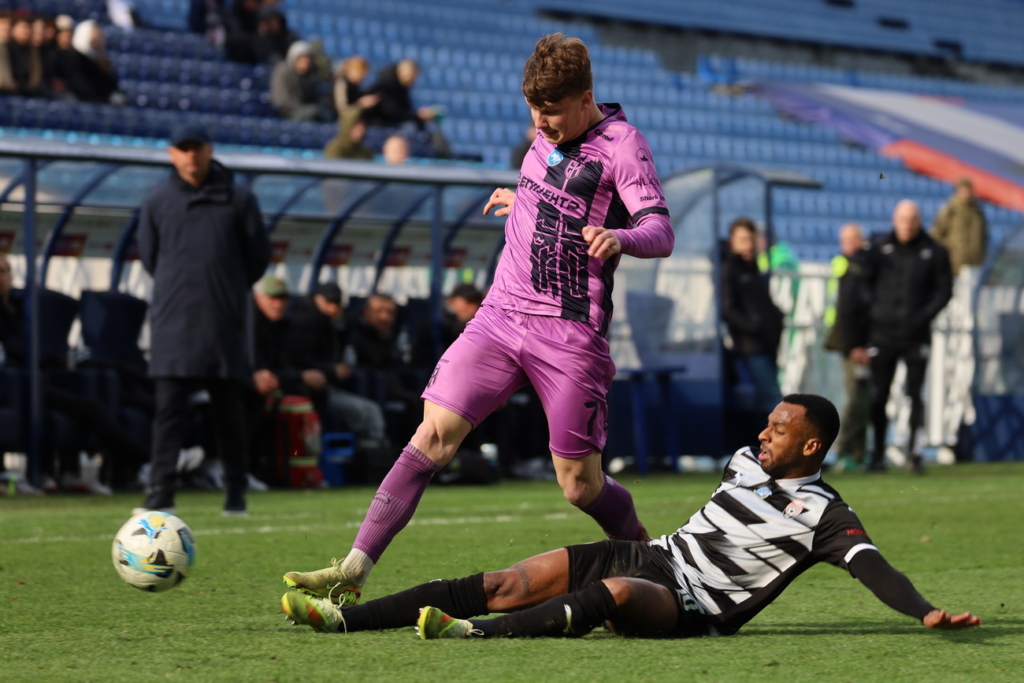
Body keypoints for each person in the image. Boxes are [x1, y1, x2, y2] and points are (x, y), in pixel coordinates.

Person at [283, 33, 674, 605]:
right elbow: (556, 194)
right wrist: (524, 201)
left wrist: (619, 237)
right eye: (533, 110)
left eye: (552, 111)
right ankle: (354, 567)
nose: (541, 123)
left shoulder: (623, 145)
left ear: (586, 98)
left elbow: (660, 231)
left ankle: (647, 556)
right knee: (432, 435)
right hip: (500, 315)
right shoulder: (544, 137)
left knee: (578, 484)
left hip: (567, 332)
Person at [280, 394, 981, 640]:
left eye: (779, 429)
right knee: (506, 579)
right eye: (767, 423)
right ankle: (342, 618)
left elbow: (873, 567)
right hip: (655, 556)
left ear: (812, 447)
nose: (762, 434)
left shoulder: (824, 514)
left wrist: (924, 611)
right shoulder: (744, 460)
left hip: (694, 606)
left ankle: (471, 635)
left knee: (615, 595)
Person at [135, 124, 270, 515]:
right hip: (173, 321)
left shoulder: (238, 199)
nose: (191, 154)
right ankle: (160, 492)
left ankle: (235, 492)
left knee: (228, 411)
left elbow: (257, 257)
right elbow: (150, 256)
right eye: (183, 148)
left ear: (210, 150)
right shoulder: (158, 200)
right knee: (168, 412)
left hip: (222, 320)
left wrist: (226, 286)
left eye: (197, 147)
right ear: (172, 154)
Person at [862, 200, 953, 474]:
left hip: (916, 335)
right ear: (894, 220)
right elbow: (863, 284)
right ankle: (877, 454)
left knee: (915, 395)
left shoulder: (934, 251)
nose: (907, 225)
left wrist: (924, 315)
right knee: (879, 395)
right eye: (903, 219)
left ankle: (915, 454)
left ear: (919, 220)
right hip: (883, 335)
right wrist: (876, 311)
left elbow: (944, 290)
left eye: (912, 219)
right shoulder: (879, 250)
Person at [284, 282, 387, 447]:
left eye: (337, 303)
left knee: (370, 409)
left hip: (325, 389)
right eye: (328, 302)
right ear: (317, 299)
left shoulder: (331, 324)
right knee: (370, 413)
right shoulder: (306, 322)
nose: (333, 308)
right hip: (308, 391)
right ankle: (373, 455)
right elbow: (299, 362)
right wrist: (332, 370)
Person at [720, 217, 784, 413]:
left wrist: (777, 317)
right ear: (732, 242)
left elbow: (762, 302)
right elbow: (728, 309)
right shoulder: (730, 269)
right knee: (773, 398)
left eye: (750, 240)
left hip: (767, 342)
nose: (748, 245)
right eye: (743, 240)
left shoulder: (753, 267)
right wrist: (754, 326)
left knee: (764, 398)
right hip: (751, 346)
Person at [824, 223, 871, 472]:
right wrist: (854, 344)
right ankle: (845, 450)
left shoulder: (859, 266)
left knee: (862, 398)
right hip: (851, 343)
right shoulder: (849, 267)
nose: (850, 243)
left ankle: (857, 452)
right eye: (846, 239)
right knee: (855, 397)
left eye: (854, 238)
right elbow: (847, 310)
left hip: (860, 341)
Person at [931, 178, 988, 277]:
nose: (966, 194)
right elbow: (937, 234)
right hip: (954, 264)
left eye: (968, 190)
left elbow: (983, 235)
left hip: (974, 264)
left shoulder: (977, 212)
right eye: (963, 190)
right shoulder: (950, 209)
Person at [270, 40, 331, 122]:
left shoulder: (311, 75)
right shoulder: (282, 71)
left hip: (306, 110)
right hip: (287, 112)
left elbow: (315, 97)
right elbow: (281, 99)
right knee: (314, 112)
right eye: (302, 58)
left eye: (308, 58)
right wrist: (301, 107)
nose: (306, 62)